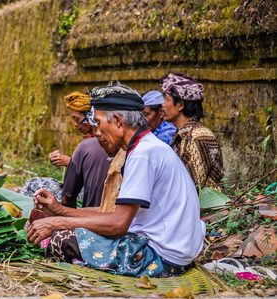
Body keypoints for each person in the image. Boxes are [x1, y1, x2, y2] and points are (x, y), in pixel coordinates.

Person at [27, 82, 205, 278]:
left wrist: (56, 223)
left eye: (100, 123)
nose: (97, 132)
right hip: (172, 253)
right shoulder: (145, 147)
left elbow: (118, 224)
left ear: (118, 121)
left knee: (61, 240)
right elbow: (112, 212)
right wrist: (59, 211)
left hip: (162, 258)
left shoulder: (143, 154)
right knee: (67, 233)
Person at [22, 91, 110, 209]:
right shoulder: (91, 140)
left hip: (94, 202)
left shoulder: (99, 142)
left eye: (77, 119)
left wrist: (70, 162)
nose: (74, 124)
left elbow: (100, 169)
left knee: (34, 186)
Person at [160, 73, 224, 191]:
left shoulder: (199, 137)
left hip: (204, 208)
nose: (163, 104)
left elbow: (189, 187)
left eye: (167, 99)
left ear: (180, 105)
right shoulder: (182, 134)